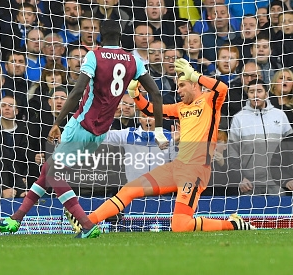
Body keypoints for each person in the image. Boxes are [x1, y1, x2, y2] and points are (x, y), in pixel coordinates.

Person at [0, 20, 166, 238]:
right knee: (48, 170)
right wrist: (158, 129)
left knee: (54, 173)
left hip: (81, 123)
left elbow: (77, 90)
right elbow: (156, 94)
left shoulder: (94, 55)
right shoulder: (134, 60)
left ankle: (86, 223)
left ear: (100, 35)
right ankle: (15, 220)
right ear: (120, 36)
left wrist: (57, 122)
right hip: (100, 131)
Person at [83, 58, 255, 232]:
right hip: (177, 167)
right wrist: (135, 95)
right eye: (178, 86)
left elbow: (222, 88)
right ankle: (86, 223)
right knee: (129, 189)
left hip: (195, 170)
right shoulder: (180, 108)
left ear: (194, 84)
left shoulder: (209, 101)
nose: (178, 90)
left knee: (180, 226)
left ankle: (232, 224)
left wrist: (196, 75)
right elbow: (150, 110)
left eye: (182, 85)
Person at [228, 80, 292, 195]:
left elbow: (289, 150)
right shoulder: (238, 118)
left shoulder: (280, 115)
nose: (256, 95)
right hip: (249, 184)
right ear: (248, 94)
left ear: (266, 94)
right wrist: (240, 178)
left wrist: (288, 177)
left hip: (277, 182)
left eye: (259, 91)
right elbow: (232, 153)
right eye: (251, 91)